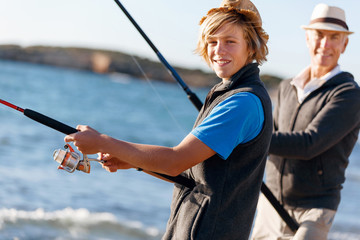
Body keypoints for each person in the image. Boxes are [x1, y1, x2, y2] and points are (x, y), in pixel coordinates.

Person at [65, 0, 272, 239]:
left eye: (230, 42)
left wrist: (102, 142)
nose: (218, 50)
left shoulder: (242, 103)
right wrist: (134, 162)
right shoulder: (228, 94)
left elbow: (175, 160)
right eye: (212, 41)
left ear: (251, 46)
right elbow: (190, 176)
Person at [251, 3, 360, 240]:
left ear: (345, 44)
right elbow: (273, 136)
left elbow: (309, 143)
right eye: (319, 35)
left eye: (334, 37)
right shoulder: (286, 86)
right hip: (270, 203)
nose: (325, 44)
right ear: (308, 38)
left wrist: (249, 137)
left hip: (315, 210)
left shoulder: (349, 94)